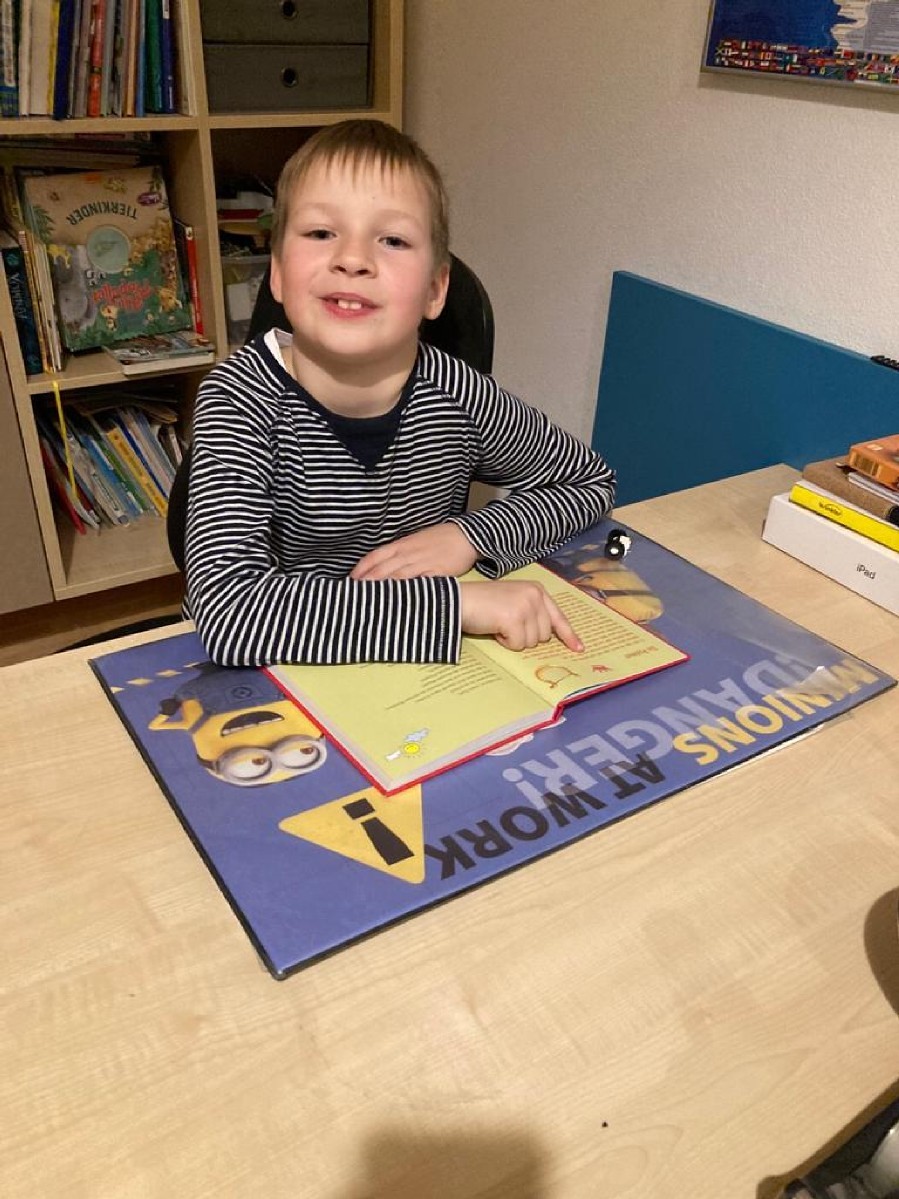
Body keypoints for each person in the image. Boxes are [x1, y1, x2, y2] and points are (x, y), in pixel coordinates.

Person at [185, 120, 616, 667]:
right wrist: (455, 606)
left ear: (435, 290)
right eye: (320, 233)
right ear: (276, 274)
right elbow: (229, 612)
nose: (353, 258)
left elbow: (589, 481)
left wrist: (469, 536)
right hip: (281, 671)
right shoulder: (239, 398)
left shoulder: (458, 393)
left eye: (391, 240)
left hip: (419, 677)